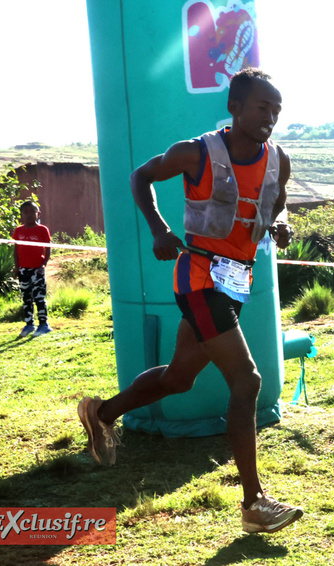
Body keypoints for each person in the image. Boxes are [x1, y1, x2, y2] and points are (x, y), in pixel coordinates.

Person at [76, 68, 303, 534]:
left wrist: (277, 226)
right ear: (235, 107)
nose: (271, 118)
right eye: (263, 107)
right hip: (198, 278)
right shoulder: (195, 152)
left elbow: (273, 203)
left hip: (235, 281)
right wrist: (159, 230)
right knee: (248, 380)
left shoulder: (278, 159)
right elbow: (141, 177)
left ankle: (100, 414)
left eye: (277, 110)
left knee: (180, 378)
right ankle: (254, 504)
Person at [12, 200, 52, 337]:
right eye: (25, 212)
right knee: (26, 298)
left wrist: (43, 264)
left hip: (37, 269)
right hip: (23, 270)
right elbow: (16, 250)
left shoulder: (42, 230)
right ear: (21, 215)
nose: (29, 215)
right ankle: (29, 324)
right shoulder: (18, 231)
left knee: (39, 297)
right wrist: (17, 268)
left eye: (32, 212)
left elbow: (48, 249)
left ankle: (44, 325)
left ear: (38, 213)